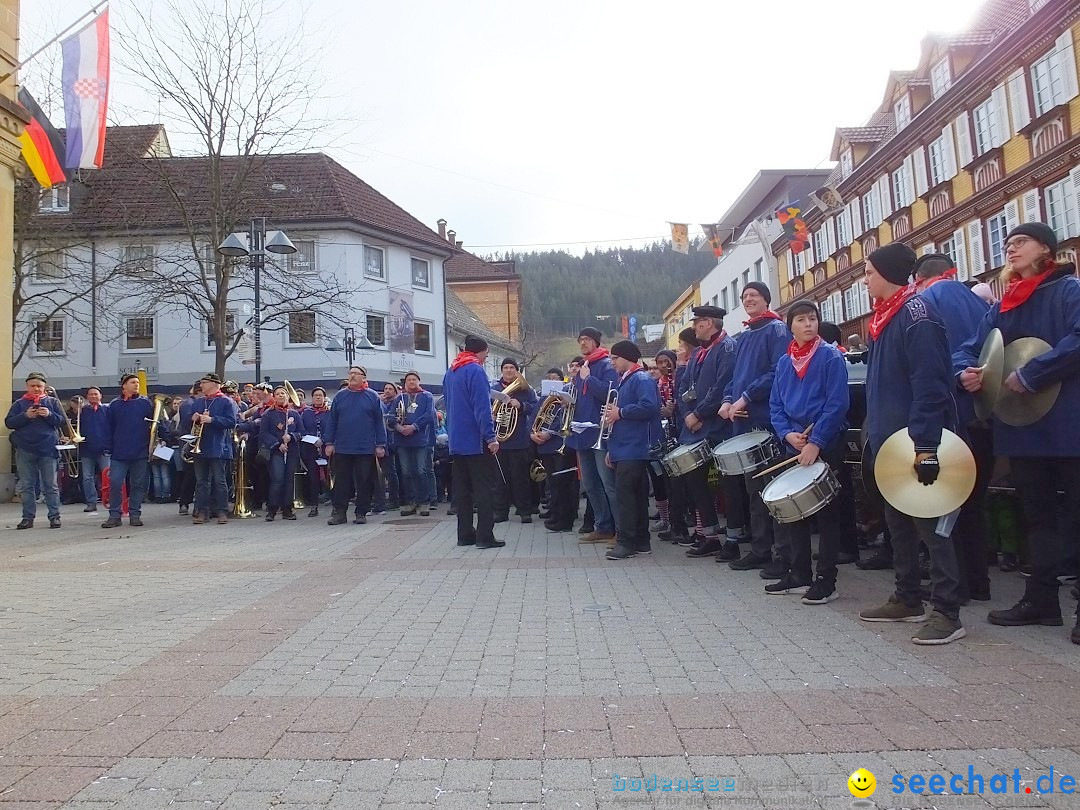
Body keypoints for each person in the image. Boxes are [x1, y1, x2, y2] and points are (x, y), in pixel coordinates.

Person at [957, 222, 1080, 644]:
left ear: (1045, 248)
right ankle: (1042, 601)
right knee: (1037, 517)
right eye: (1006, 243)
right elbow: (970, 347)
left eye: (1020, 241)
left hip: (1069, 422)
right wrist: (967, 372)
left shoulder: (1069, 291)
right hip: (1023, 427)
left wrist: (1032, 372)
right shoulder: (1003, 306)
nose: (1010, 248)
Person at [857, 243, 965, 645]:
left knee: (932, 526)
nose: (864, 278)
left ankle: (948, 611)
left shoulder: (917, 315)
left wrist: (926, 445)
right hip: (889, 441)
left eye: (868, 271)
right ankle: (907, 598)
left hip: (915, 440)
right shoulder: (885, 318)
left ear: (886, 272)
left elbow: (930, 384)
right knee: (897, 523)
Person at [915, 253, 992, 603]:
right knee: (976, 501)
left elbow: (928, 362)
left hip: (949, 415)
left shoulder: (926, 301)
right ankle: (979, 581)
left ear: (919, 279)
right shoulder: (979, 301)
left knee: (950, 500)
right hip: (983, 413)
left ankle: (955, 583)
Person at [766, 301, 849, 603]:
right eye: (801, 320)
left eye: (812, 319)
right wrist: (787, 433)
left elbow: (837, 403)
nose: (809, 325)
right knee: (792, 511)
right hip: (793, 443)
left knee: (826, 514)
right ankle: (799, 573)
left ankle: (826, 579)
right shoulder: (785, 362)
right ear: (791, 326)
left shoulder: (829, 357)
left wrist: (817, 441)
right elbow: (776, 405)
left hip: (824, 442)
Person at [721, 281, 791, 573]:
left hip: (765, 421)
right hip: (743, 421)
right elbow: (734, 376)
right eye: (744, 296)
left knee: (771, 487)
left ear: (766, 300)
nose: (748, 299)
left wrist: (746, 397)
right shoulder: (745, 334)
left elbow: (778, 371)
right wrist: (727, 400)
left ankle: (781, 554)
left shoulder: (776, 330)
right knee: (753, 489)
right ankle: (760, 548)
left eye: (754, 295)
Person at [677, 305, 737, 558]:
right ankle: (710, 534)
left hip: (719, 427)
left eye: (698, 322)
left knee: (729, 484)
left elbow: (723, 385)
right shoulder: (700, 353)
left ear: (710, 322)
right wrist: (687, 415)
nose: (694, 327)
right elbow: (682, 388)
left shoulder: (727, 347)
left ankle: (734, 537)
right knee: (694, 479)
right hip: (696, 427)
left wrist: (698, 413)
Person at [603, 341, 662, 560]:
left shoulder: (641, 378)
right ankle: (641, 541)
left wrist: (621, 412)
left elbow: (649, 407)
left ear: (627, 357)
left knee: (626, 496)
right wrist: (612, 449)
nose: (612, 362)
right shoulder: (627, 379)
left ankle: (627, 542)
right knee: (635, 496)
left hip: (635, 446)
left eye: (615, 358)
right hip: (625, 447)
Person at [443, 335, 503, 549]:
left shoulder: (451, 372)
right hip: (476, 441)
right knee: (484, 489)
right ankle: (485, 537)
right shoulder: (476, 370)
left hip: (457, 441)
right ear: (481, 351)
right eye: (486, 353)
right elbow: (482, 408)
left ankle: (465, 534)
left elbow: (449, 406)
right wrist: (491, 436)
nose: (487, 357)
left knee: (463, 491)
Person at [572, 328, 619, 545]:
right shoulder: (583, 367)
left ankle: (621, 529)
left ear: (596, 342)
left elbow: (610, 393)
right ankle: (603, 526)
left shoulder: (607, 365)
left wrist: (588, 379)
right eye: (580, 340)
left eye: (587, 340)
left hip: (600, 432)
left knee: (608, 483)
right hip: (582, 433)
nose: (583, 343)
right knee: (590, 484)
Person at [323, 366, 387, 525]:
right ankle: (340, 513)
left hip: (365, 448)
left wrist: (380, 444)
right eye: (350, 373)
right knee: (341, 482)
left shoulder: (372, 397)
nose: (351, 376)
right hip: (343, 447)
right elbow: (332, 421)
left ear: (364, 378)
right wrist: (329, 442)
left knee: (364, 481)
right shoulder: (340, 396)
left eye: (355, 374)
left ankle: (361, 512)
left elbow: (380, 422)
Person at [6, 372, 64, 529]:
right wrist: (26, 416)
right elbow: (9, 423)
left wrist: (49, 414)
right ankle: (27, 518)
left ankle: (54, 517)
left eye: (39, 386)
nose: (36, 389)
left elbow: (62, 422)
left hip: (48, 448)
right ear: (27, 387)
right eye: (33, 386)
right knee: (27, 486)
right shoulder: (19, 403)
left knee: (50, 485)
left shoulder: (52, 402)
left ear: (44, 387)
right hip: (25, 449)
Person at [101, 374, 153, 528]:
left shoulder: (145, 403)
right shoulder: (115, 405)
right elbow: (108, 427)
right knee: (115, 483)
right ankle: (115, 515)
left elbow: (154, 423)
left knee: (137, 485)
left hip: (140, 451)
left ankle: (135, 514)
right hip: (120, 452)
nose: (136, 384)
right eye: (132, 382)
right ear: (124, 386)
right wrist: (108, 446)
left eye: (137, 382)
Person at [491, 359, 539, 524]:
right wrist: (492, 414)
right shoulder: (495, 389)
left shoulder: (526, 390)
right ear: (502, 370)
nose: (509, 370)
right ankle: (500, 511)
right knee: (500, 478)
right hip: (500, 440)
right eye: (506, 367)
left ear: (517, 371)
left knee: (521, 478)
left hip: (519, 439)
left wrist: (521, 405)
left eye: (512, 368)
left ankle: (524, 511)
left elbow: (535, 407)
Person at [191, 372, 239, 525]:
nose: (201, 385)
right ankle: (202, 511)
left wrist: (212, 420)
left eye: (204, 383)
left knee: (219, 481)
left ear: (213, 384)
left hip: (219, 446)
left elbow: (232, 422)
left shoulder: (227, 401)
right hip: (202, 446)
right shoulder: (199, 402)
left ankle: (222, 511)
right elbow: (191, 422)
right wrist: (194, 419)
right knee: (201, 482)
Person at [389, 371, 436, 517]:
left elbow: (429, 415)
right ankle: (410, 502)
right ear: (405, 383)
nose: (411, 382)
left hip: (421, 439)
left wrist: (413, 427)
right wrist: (399, 428)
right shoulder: (399, 398)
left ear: (419, 381)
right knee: (406, 472)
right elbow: (391, 416)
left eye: (414, 379)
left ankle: (424, 502)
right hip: (402, 440)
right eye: (409, 379)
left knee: (421, 471)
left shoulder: (427, 396)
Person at [260, 384, 301, 521]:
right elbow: (264, 434)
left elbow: (303, 431)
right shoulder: (268, 414)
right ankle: (272, 509)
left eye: (283, 393)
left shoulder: (294, 414)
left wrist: (292, 436)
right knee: (277, 480)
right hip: (276, 451)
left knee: (289, 480)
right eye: (277, 394)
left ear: (287, 396)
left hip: (292, 451)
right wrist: (278, 444)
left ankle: (287, 509)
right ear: (274, 396)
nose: (280, 396)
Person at [299, 387, 331, 516]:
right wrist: (313, 440)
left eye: (320, 395)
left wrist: (323, 440)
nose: (318, 397)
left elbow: (332, 428)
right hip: (311, 450)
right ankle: (314, 506)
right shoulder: (306, 413)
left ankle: (335, 505)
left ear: (324, 398)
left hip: (326, 449)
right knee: (313, 478)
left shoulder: (329, 412)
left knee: (330, 477)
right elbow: (302, 430)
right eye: (315, 395)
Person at [78, 387, 109, 513]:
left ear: (100, 396)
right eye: (90, 394)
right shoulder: (83, 411)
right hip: (87, 449)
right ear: (87, 397)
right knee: (87, 477)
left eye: (95, 394)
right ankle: (91, 502)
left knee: (108, 476)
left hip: (104, 449)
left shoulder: (107, 410)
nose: (93, 396)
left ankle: (109, 500)